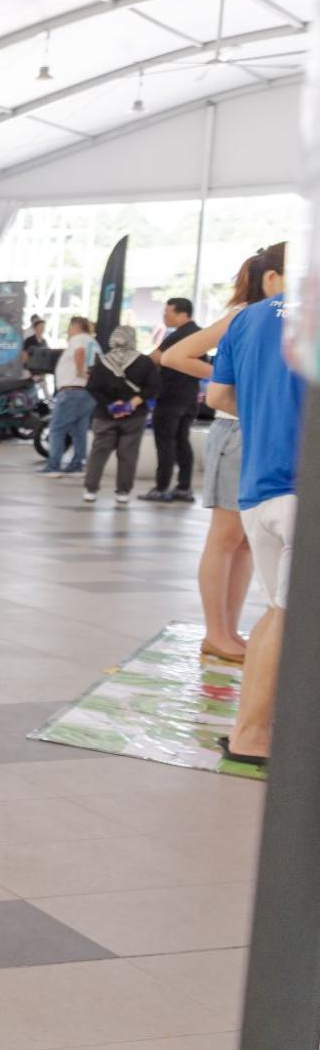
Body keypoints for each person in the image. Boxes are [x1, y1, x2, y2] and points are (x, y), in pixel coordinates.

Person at [206, 244, 298, 765]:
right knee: (286, 616)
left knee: (278, 612)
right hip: (301, 486)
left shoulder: (247, 319)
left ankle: (251, 732)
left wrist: (266, 412)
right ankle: (254, 737)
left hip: (259, 485)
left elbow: (218, 397)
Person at [161, 256, 265, 665]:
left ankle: (228, 630)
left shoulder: (275, 314)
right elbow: (174, 356)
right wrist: (219, 374)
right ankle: (216, 632)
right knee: (226, 538)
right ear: (270, 277)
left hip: (257, 434)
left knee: (245, 543)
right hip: (235, 431)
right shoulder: (244, 314)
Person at [81, 326, 157, 506]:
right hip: (134, 415)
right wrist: (131, 404)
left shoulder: (102, 361)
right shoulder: (144, 362)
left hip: (106, 414)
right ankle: (123, 491)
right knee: (128, 454)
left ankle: (90, 489)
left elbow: (92, 387)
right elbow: (154, 387)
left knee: (99, 453)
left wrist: (111, 404)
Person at [144, 297, 202, 502]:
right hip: (189, 398)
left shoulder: (178, 335)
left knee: (165, 443)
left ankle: (161, 487)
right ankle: (184, 487)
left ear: (182, 314)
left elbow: (154, 358)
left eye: (167, 313)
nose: (164, 317)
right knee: (182, 442)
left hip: (170, 397)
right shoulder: (200, 334)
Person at [39, 316, 98, 476]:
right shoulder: (93, 342)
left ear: (76, 326)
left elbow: (79, 352)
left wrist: (79, 370)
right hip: (88, 393)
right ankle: (77, 464)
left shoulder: (78, 339)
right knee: (79, 430)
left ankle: (53, 466)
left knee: (57, 428)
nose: (68, 331)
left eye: (69, 327)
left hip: (72, 391)